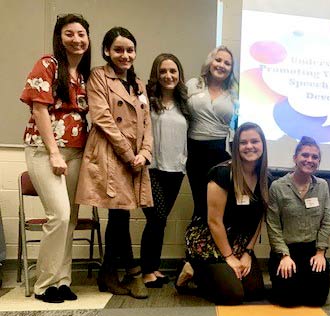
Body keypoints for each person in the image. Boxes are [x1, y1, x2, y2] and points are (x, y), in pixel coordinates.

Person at [76, 27, 153, 299]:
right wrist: (128, 153)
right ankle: (124, 271)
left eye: (130, 50)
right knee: (119, 213)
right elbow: (102, 118)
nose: (125, 55)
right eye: (118, 50)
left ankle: (110, 271)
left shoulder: (139, 82)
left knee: (121, 214)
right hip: (111, 152)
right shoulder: (98, 76)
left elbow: (146, 122)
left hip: (135, 157)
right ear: (107, 51)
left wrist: (145, 152)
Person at [19, 14, 91, 303]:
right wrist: (53, 153)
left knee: (71, 219)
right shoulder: (47, 64)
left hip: (76, 153)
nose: (77, 39)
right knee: (59, 215)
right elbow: (39, 110)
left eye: (82, 34)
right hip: (45, 150)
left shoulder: (84, 75)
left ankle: (62, 281)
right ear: (59, 38)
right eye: (69, 33)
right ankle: (44, 285)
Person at [179, 122, 269, 305]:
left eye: (255, 141)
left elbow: (259, 220)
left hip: (238, 243)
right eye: (243, 142)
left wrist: (247, 253)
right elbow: (214, 222)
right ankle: (193, 269)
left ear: (263, 145)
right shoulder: (221, 173)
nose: (249, 146)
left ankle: (217, 273)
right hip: (209, 240)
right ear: (235, 146)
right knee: (233, 295)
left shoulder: (265, 178)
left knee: (255, 291)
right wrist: (229, 257)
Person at [140, 53, 189, 288]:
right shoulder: (146, 101)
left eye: (173, 71)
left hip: (176, 170)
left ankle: (153, 267)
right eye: (163, 71)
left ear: (179, 75)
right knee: (156, 218)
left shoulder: (185, 104)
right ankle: (147, 270)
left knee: (160, 220)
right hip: (152, 169)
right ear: (156, 75)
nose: (168, 76)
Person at [266, 136, 330, 307]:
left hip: (312, 251)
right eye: (305, 155)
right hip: (286, 251)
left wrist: (320, 253)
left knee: (316, 301)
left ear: (319, 161)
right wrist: (284, 255)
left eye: (314, 157)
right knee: (289, 301)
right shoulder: (278, 187)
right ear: (295, 158)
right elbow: (273, 226)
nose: (309, 160)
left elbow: (326, 222)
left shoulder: (322, 186)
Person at [185, 45, 238, 221]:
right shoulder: (193, 84)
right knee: (200, 205)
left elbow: (236, 127)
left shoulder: (233, 94)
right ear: (210, 62)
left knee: (217, 207)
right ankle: (196, 247)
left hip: (220, 153)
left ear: (231, 69)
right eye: (218, 60)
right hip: (195, 151)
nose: (222, 65)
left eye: (227, 63)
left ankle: (217, 248)